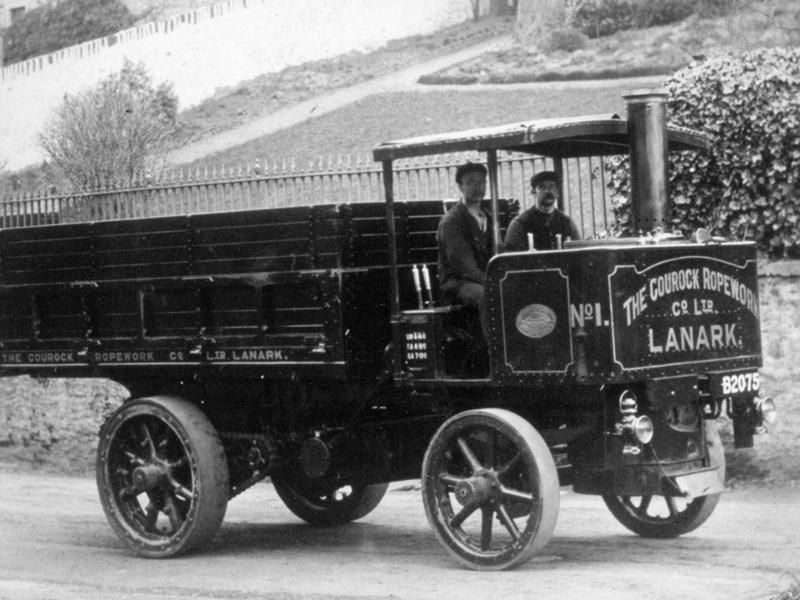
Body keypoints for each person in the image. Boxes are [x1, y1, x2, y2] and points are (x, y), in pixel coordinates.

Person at [436, 161, 492, 313]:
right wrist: (493, 282)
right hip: (458, 284)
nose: (478, 187)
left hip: (483, 280)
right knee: (488, 296)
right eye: (471, 182)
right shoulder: (452, 221)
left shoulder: (488, 217)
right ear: (461, 186)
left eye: (482, 182)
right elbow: (464, 267)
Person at [503, 171, 580, 251]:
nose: (547, 191)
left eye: (551, 186)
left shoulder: (566, 222)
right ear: (533, 192)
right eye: (542, 187)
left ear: (557, 193)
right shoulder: (520, 224)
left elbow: (579, 252)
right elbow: (510, 259)